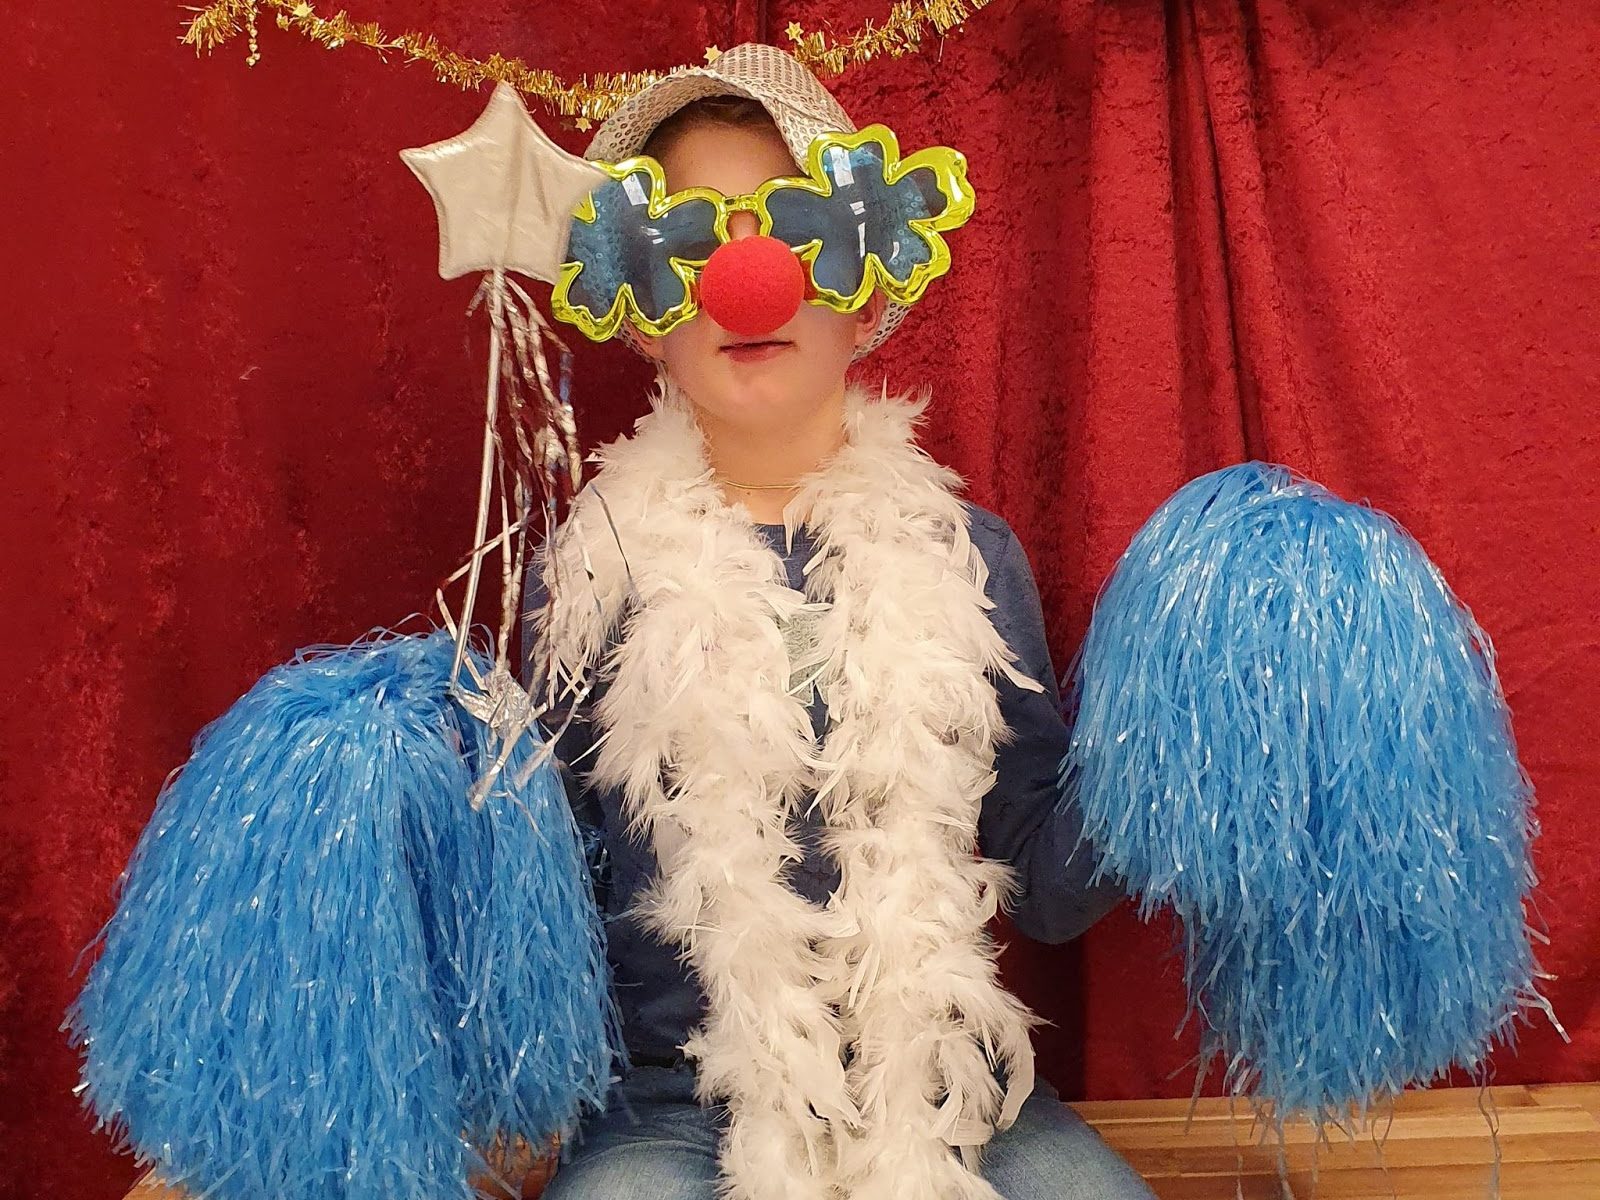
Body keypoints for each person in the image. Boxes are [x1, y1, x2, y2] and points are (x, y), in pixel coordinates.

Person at [522, 42, 1157, 1200]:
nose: (745, 281)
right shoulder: (591, 575)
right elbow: (538, 884)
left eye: (791, 226)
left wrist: (1185, 740)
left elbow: (1052, 889)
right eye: (692, 240)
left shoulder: (970, 557)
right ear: (641, 298)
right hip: (680, 1105)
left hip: (947, 1096)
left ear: (863, 288)